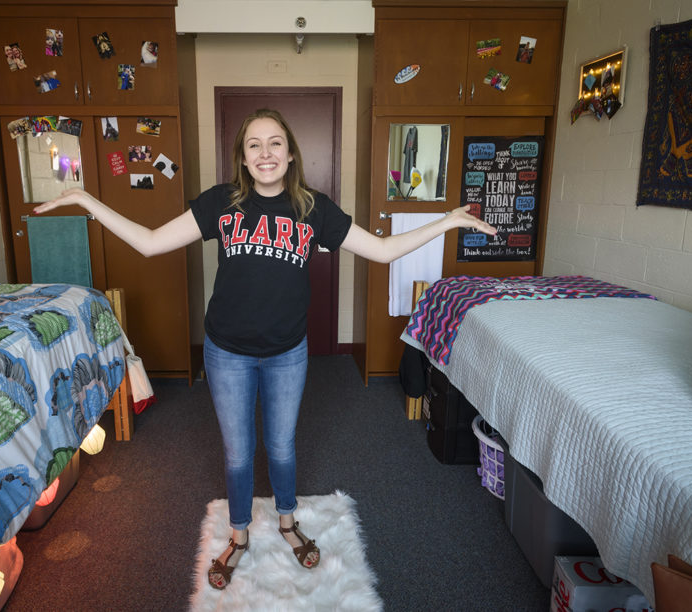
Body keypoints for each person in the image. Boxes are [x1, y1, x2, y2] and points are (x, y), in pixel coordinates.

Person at [32, 108, 496, 590]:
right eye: (254, 144)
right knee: (238, 453)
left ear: (290, 153)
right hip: (226, 351)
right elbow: (150, 243)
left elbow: (381, 251)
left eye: (275, 143)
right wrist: (88, 200)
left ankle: (288, 522)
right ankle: (238, 533)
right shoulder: (221, 204)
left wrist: (447, 221)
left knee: (281, 446)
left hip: (286, 352)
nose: (266, 153)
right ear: (243, 157)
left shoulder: (312, 208)